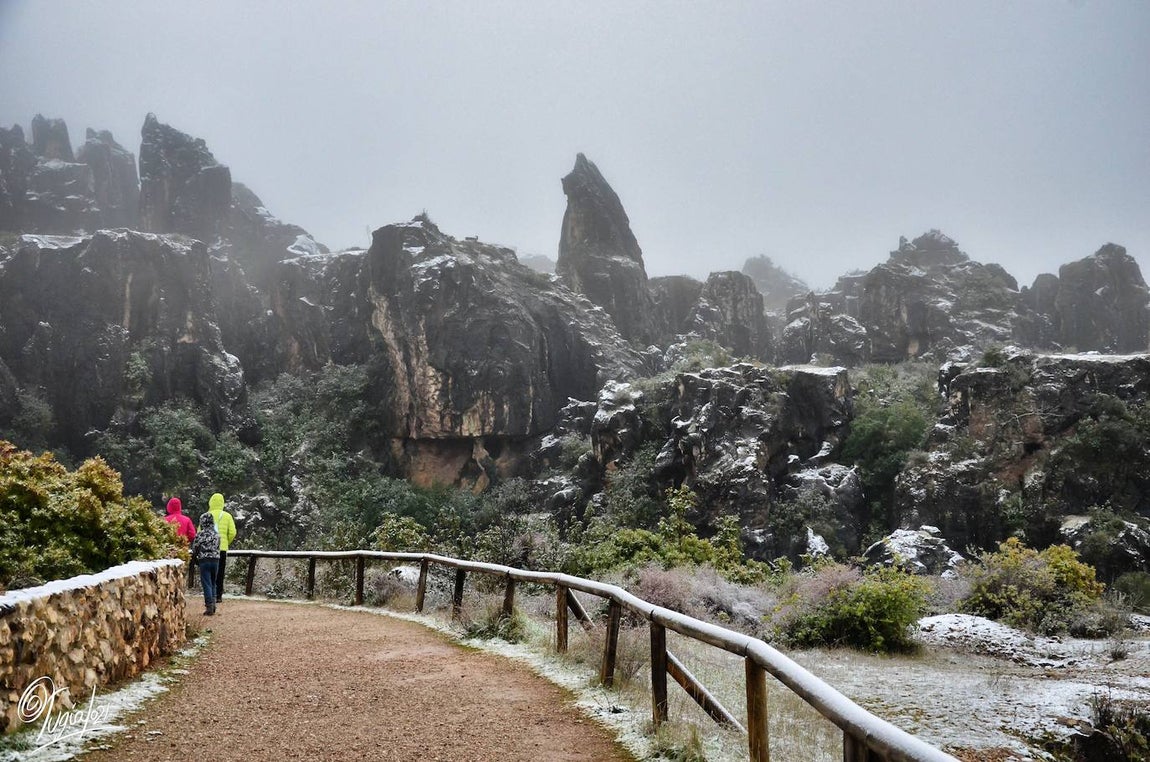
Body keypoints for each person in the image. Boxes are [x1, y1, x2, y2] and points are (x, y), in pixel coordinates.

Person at [208, 493, 237, 602]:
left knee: (209, 573)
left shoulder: (206, 515)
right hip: (222, 549)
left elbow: (199, 532)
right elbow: (233, 532)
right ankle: (219, 595)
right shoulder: (227, 516)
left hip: (209, 548)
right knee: (220, 572)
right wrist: (226, 542)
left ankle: (210, 594)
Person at [189, 512, 220, 615]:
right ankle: (214, 603)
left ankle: (209, 606)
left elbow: (195, 548)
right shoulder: (216, 534)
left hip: (204, 560)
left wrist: (197, 558)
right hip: (215, 560)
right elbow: (218, 546)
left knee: (206, 583)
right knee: (213, 582)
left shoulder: (200, 535)